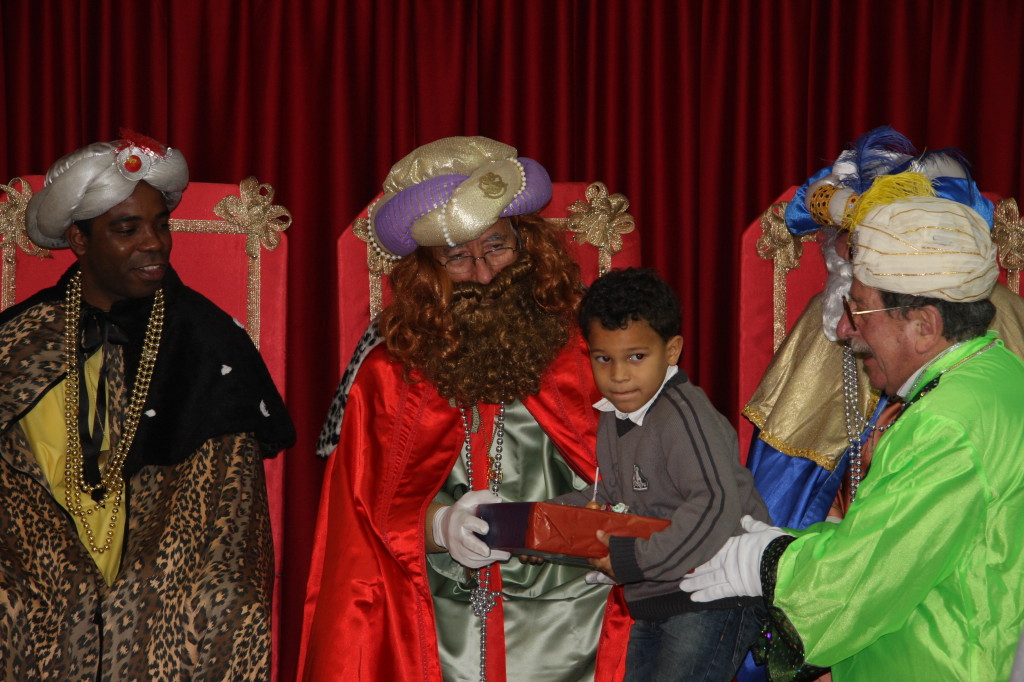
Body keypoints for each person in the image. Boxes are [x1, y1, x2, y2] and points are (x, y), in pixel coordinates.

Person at [301, 136, 631, 682]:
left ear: (527, 243)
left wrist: (623, 542)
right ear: (426, 271)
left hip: (580, 623)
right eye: (457, 257)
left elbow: (653, 475)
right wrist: (439, 526)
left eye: (496, 247)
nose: (483, 272)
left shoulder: (591, 352)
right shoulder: (390, 373)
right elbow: (360, 521)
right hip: (435, 631)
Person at [682, 174, 1024, 681]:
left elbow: (862, 585)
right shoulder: (999, 374)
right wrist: (792, 543)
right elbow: (896, 543)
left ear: (924, 326)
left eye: (859, 309)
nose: (845, 329)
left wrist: (769, 562)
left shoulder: (943, 426)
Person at [0, 131, 295, 679]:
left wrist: (151, 569)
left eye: (161, 224)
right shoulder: (19, 339)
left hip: (168, 560)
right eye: (127, 229)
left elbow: (231, 511)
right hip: (34, 564)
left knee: (222, 606)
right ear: (79, 239)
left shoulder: (207, 341)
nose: (154, 243)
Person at [549, 267, 768, 682]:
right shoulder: (616, 415)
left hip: (713, 595)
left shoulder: (683, 413)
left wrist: (633, 559)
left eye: (636, 357)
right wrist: (542, 524)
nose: (618, 375)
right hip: (657, 596)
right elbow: (611, 498)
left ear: (671, 351)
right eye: (604, 359)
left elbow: (714, 503)